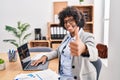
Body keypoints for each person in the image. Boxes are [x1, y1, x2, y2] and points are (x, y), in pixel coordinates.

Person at [31, 6, 98, 80]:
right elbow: (57, 51)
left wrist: (84, 49)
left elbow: (94, 54)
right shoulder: (67, 37)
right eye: (65, 22)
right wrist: (45, 57)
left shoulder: (87, 36)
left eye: (71, 20)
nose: (68, 24)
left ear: (78, 21)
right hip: (61, 75)